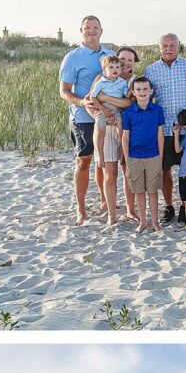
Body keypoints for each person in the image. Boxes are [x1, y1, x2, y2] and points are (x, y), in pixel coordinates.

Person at [58, 15, 115, 225]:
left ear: (101, 30)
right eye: (87, 28)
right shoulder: (73, 57)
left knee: (104, 161)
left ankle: (103, 200)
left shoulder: (110, 54)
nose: (91, 31)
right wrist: (81, 102)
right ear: (81, 31)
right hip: (82, 117)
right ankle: (81, 209)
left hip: (106, 117)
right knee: (84, 162)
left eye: (95, 28)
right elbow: (64, 91)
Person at [144, 33, 186, 225]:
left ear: (179, 46)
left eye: (172, 45)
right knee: (164, 170)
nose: (169, 48)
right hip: (164, 129)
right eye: (165, 45)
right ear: (159, 47)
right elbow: (146, 99)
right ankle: (169, 207)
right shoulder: (150, 70)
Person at [86, 46, 140, 221]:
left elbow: (129, 103)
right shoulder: (100, 78)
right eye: (122, 59)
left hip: (128, 130)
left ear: (133, 63)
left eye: (129, 60)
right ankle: (112, 214)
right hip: (106, 128)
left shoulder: (134, 81)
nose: (125, 63)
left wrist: (107, 98)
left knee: (128, 172)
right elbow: (90, 101)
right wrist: (100, 114)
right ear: (115, 60)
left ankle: (131, 210)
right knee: (110, 173)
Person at [89, 56, 130, 227]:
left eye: (117, 67)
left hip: (117, 112)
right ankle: (100, 154)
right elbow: (93, 98)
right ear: (105, 69)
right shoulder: (101, 81)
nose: (114, 69)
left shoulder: (122, 83)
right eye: (111, 67)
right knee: (100, 128)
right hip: (102, 111)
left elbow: (127, 97)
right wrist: (103, 109)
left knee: (121, 126)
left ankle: (123, 149)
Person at [121, 76, 165, 234]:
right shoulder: (128, 113)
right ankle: (143, 222)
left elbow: (160, 134)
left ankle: (155, 222)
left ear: (151, 91)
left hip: (153, 155)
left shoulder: (157, 110)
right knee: (139, 191)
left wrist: (160, 156)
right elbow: (125, 137)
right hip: (134, 157)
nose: (142, 92)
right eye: (138, 89)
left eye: (145, 89)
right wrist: (127, 158)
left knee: (153, 191)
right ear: (133, 92)